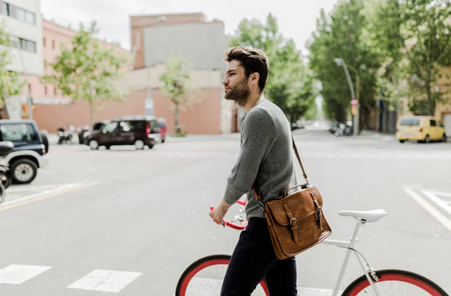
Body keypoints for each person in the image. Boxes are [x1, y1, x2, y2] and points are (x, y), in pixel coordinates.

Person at [209, 46, 298, 296]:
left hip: (265, 227)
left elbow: (243, 173)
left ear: (253, 78)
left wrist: (222, 208)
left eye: (232, 74)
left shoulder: (258, 116)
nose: (224, 80)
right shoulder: (273, 111)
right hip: (281, 223)